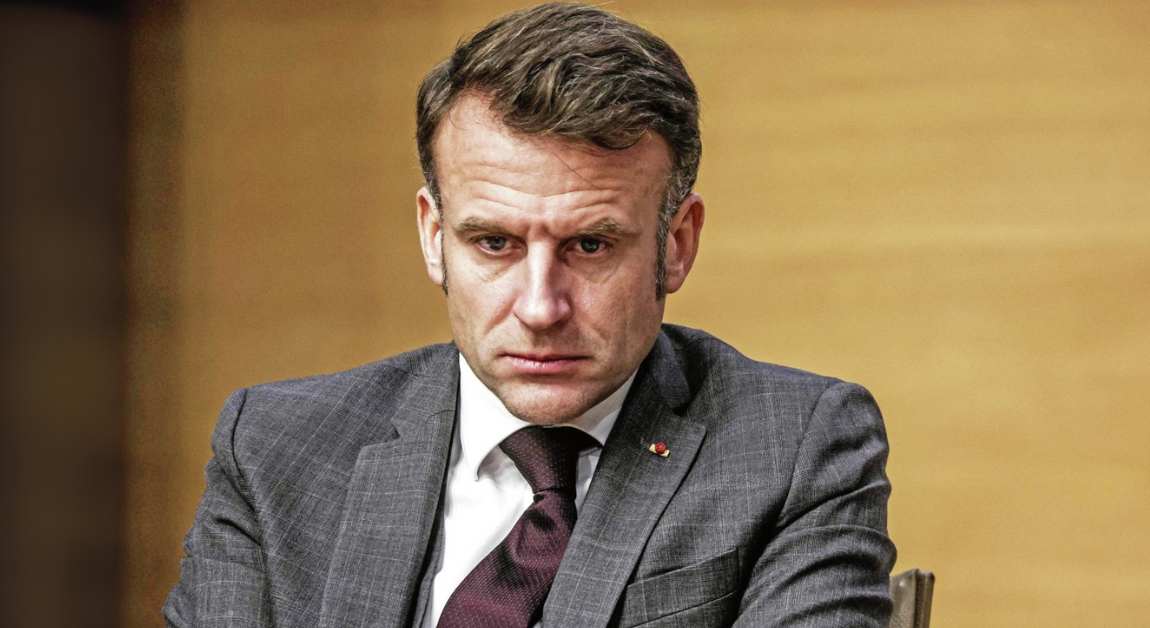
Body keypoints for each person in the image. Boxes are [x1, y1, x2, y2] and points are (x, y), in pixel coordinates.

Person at [163, 3, 896, 627]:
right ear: (434, 237)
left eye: (590, 245)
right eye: (494, 243)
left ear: (676, 244)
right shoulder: (275, 449)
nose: (541, 307)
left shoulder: (794, 448)